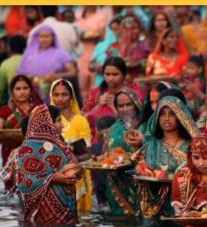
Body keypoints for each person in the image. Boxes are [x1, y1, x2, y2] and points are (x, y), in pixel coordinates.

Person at [1, 104, 83, 225]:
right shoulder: (25, 151)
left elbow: (76, 168)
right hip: (40, 209)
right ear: (46, 123)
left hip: (65, 207)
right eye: (58, 121)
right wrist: (55, 178)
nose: (62, 125)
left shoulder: (60, 146)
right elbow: (24, 181)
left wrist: (72, 171)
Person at [138, 96, 199, 218]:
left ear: (180, 116)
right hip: (153, 203)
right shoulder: (151, 145)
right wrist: (141, 170)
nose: (166, 118)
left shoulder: (191, 147)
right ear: (157, 117)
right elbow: (141, 166)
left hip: (184, 206)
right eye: (162, 114)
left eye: (172, 114)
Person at [49, 79, 93, 214]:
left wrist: (70, 153)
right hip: (56, 177)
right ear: (51, 96)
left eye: (64, 94)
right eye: (56, 95)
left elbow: (88, 154)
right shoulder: (48, 120)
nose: (60, 99)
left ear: (71, 97)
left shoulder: (80, 121)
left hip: (78, 175)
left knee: (82, 218)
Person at [0, 75, 43, 165]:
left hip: (36, 159)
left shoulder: (39, 110)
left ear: (31, 90)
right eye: (18, 89)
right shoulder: (5, 111)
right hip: (11, 161)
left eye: (25, 88)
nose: (22, 92)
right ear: (12, 92)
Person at [105, 88, 144, 216]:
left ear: (136, 104)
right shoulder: (112, 130)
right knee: (119, 223)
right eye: (120, 106)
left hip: (141, 181)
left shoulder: (146, 127)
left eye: (128, 104)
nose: (125, 109)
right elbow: (105, 156)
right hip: (117, 183)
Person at [83, 57, 143, 139]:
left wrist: (114, 107)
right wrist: (99, 105)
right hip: (96, 139)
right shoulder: (95, 93)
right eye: (107, 74)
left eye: (115, 74)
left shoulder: (133, 93)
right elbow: (83, 121)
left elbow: (138, 120)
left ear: (124, 75)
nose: (110, 79)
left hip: (125, 138)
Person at [17, 25, 77, 101]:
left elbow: (73, 72)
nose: (44, 39)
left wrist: (56, 76)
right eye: (41, 36)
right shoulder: (29, 53)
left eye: (47, 36)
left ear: (53, 38)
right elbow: (20, 72)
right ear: (37, 38)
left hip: (54, 93)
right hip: (30, 94)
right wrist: (27, 76)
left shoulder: (60, 53)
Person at [106, 15, 151, 84]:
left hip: (138, 83)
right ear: (124, 29)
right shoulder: (114, 47)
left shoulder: (143, 48)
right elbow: (108, 64)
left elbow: (149, 64)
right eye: (132, 28)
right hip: (118, 83)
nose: (137, 30)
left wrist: (138, 63)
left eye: (137, 28)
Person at [0, 35, 27, 108]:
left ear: (9, 48)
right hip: (31, 100)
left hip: (14, 101)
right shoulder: (31, 60)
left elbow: (0, 89)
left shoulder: (5, 64)